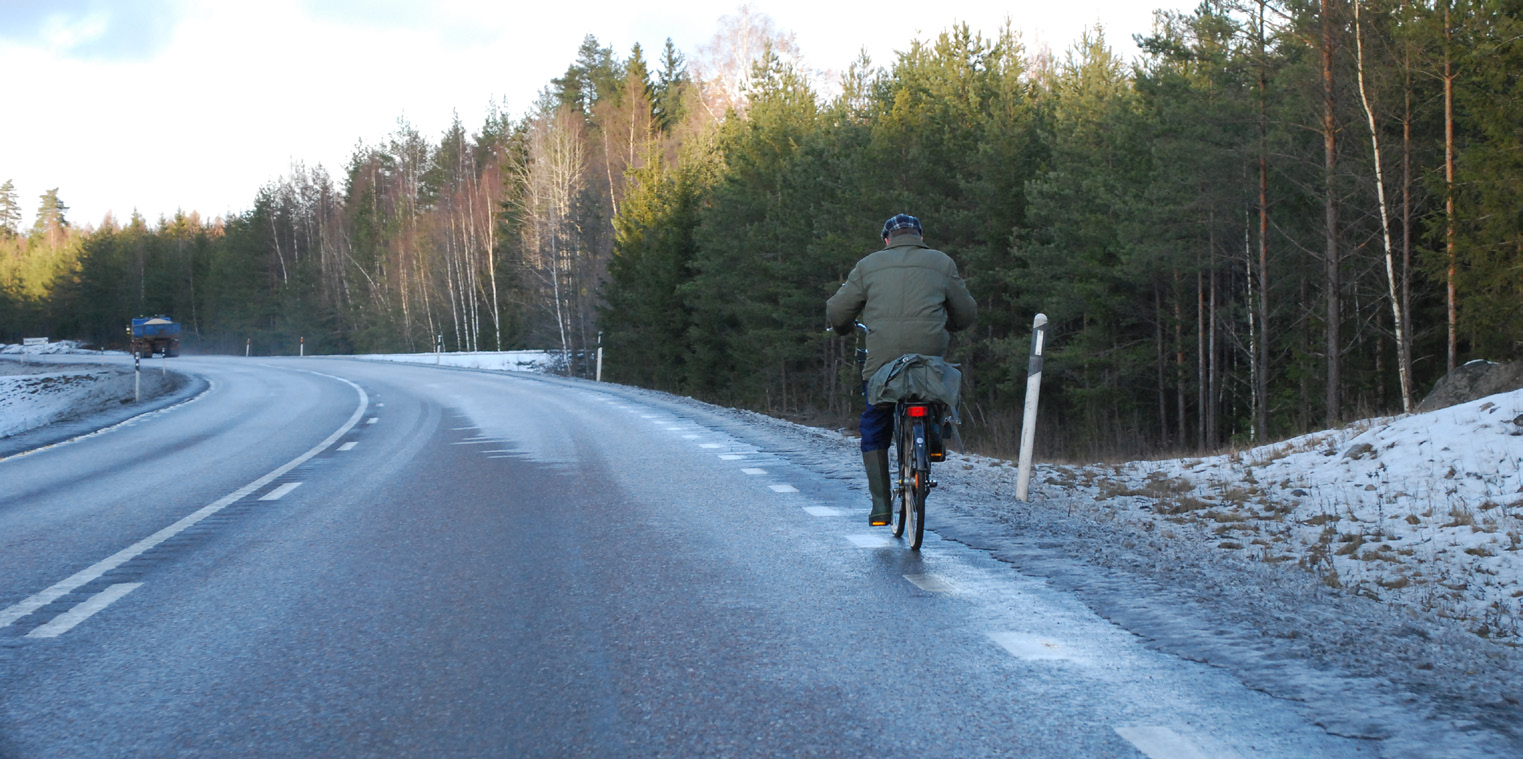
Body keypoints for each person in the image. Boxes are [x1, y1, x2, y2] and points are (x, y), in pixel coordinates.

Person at [826, 214, 977, 526]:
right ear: (920, 236)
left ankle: (881, 507)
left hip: (883, 363)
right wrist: (947, 323)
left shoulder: (867, 266)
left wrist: (842, 328)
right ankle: (933, 441)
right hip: (928, 356)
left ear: (887, 240)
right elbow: (965, 314)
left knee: (875, 422)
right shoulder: (942, 262)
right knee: (934, 387)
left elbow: (837, 310)